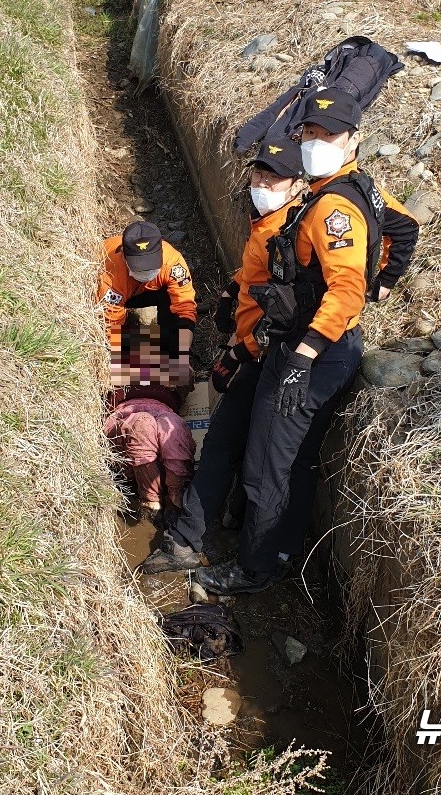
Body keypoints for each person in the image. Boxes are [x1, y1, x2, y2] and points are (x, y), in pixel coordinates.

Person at [152, 88, 420, 592]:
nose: (317, 142)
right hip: (289, 345)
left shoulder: (332, 207)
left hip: (311, 352)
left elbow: (344, 288)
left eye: (329, 134)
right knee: (264, 452)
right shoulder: (327, 195)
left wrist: (305, 353)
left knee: (270, 463)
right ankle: (236, 543)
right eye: (311, 133)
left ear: (353, 139)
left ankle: (258, 567)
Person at [142, 139, 307, 574]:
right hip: (254, 352)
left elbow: (286, 310)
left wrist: (239, 352)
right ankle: (194, 536)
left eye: (274, 178)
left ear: (297, 185)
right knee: (226, 443)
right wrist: (234, 287)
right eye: (258, 174)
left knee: (253, 454)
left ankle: (247, 554)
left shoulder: (294, 233)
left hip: (277, 358)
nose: (262, 183)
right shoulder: (265, 224)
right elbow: (256, 274)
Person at [104, 324, 196, 524]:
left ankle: (175, 497)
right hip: (127, 414)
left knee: (173, 428)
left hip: (163, 411)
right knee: (143, 425)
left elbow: (188, 378)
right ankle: (150, 501)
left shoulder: (172, 374)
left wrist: (170, 371)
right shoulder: (116, 372)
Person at [98, 221, 197, 378]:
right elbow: (110, 331)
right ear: (124, 255)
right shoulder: (109, 277)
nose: (146, 272)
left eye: (151, 266)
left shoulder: (173, 263)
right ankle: (151, 349)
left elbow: (185, 309)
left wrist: (182, 354)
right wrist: (149, 369)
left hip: (150, 290)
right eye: (139, 267)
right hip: (123, 291)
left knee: (174, 312)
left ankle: (171, 351)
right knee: (117, 353)